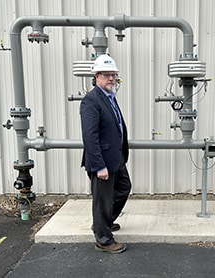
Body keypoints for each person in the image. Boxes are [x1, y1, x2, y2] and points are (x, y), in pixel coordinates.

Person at [80, 54, 132, 253]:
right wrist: (99, 166)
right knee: (102, 200)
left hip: (116, 158)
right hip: (102, 161)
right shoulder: (91, 101)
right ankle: (103, 239)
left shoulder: (109, 97)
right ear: (96, 76)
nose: (111, 78)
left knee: (124, 187)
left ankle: (104, 222)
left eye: (114, 75)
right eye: (106, 74)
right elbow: (90, 136)